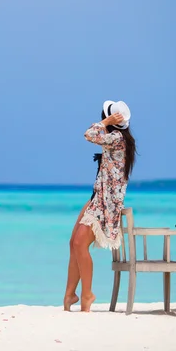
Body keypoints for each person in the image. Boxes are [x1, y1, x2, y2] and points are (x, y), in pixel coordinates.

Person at [63, 100, 137, 312]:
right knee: (73, 243)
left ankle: (87, 294)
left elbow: (89, 134)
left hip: (106, 202)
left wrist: (105, 122)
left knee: (79, 243)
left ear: (113, 120)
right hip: (98, 197)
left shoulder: (117, 138)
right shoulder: (117, 139)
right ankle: (70, 295)